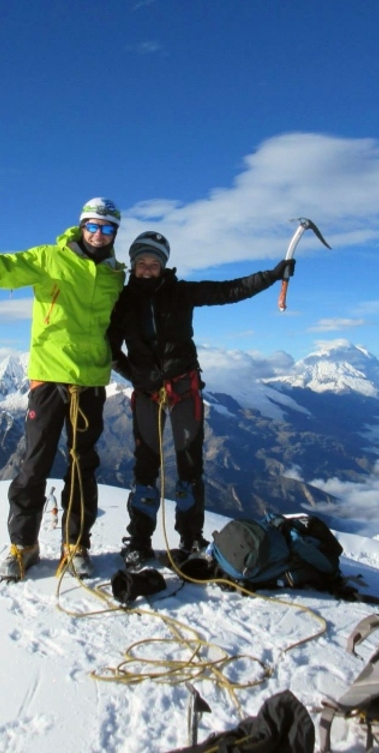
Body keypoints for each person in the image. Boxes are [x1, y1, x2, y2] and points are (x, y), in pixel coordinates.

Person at [0, 197, 125, 581]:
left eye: (107, 229)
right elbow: (4, 270)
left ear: (114, 234)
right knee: (34, 464)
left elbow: (121, 324)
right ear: (81, 226)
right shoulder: (49, 258)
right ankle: (23, 546)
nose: (98, 234)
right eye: (92, 226)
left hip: (90, 381)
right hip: (50, 377)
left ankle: (76, 544)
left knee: (82, 466)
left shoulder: (115, 275)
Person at [107, 231, 294, 568]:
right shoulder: (121, 302)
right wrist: (133, 374)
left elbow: (229, 290)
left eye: (154, 263)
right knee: (145, 468)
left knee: (190, 468)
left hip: (183, 390)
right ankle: (138, 540)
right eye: (141, 264)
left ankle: (191, 539)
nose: (148, 269)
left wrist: (272, 275)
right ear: (133, 266)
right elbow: (108, 347)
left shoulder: (181, 293)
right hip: (148, 392)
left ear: (163, 266)